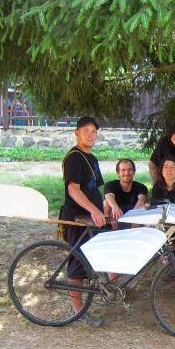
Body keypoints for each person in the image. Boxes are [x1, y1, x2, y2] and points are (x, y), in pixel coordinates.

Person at [60, 116, 106, 328]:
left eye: (93, 131)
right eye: (85, 131)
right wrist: (94, 210)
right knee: (77, 263)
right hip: (78, 217)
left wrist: (104, 209)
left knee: (89, 257)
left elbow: (95, 189)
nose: (90, 135)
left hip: (90, 217)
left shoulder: (91, 158)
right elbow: (73, 190)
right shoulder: (74, 157)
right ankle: (77, 311)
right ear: (77, 133)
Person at [103, 158, 148, 228]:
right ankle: (109, 229)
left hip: (133, 215)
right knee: (106, 202)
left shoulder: (141, 187)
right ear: (118, 173)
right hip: (115, 215)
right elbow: (109, 196)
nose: (126, 173)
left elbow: (142, 199)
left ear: (134, 172)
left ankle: (134, 232)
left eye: (129, 170)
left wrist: (135, 213)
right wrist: (115, 207)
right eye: (123, 170)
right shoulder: (110, 185)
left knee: (144, 205)